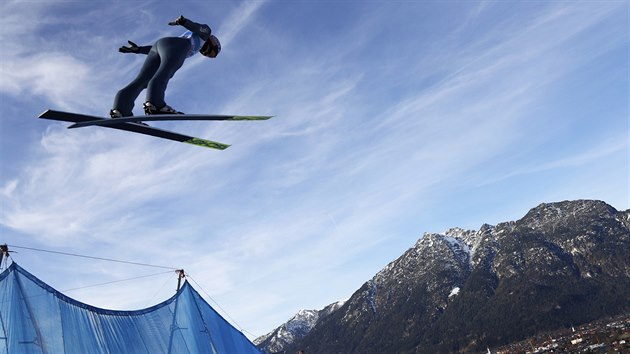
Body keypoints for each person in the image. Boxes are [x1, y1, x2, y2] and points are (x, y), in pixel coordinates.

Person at [110, 15, 221, 118]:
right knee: (165, 72)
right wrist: (185, 22)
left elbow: (162, 48)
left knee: (142, 81)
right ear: (212, 42)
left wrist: (139, 49)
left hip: (159, 46)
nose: (205, 52)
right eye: (209, 50)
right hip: (175, 46)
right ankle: (156, 104)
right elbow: (199, 28)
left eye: (207, 54)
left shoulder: (189, 40)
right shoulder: (205, 34)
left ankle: (121, 109)